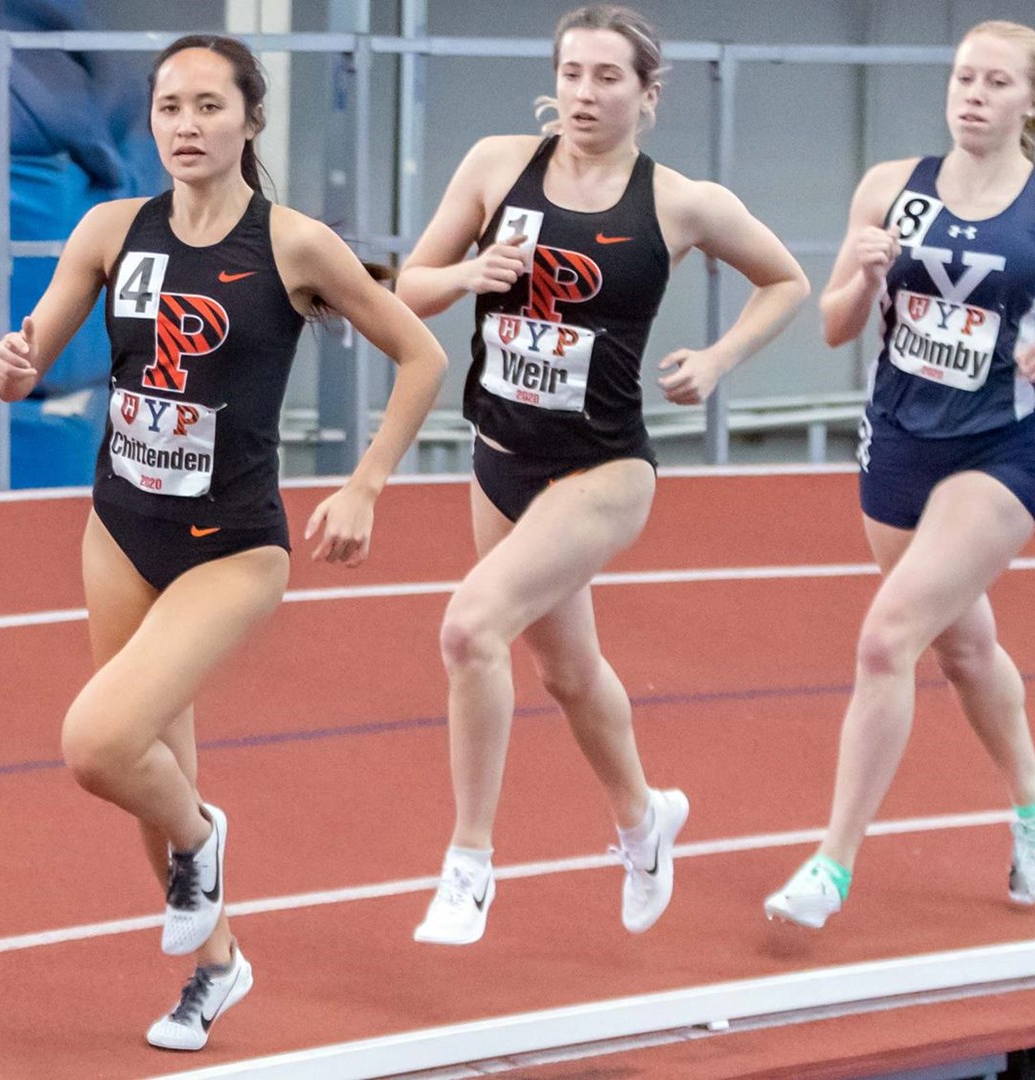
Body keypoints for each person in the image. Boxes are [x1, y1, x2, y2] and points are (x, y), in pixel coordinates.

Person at [0, 34, 446, 1051]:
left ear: (250, 120)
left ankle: (204, 836)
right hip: (121, 529)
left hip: (231, 545)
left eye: (208, 106)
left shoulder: (295, 245)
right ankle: (216, 967)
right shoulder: (111, 230)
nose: (186, 126)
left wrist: (367, 484)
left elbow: (420, 355)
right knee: (149, 758)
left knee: (100, 744)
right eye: (169, 107)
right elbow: (29, 357)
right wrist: (14, 365)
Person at [397, 3, 808, 946]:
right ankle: (643, 819)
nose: (584, 93)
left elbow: (785, 279)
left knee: (470, 627)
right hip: (500, 458)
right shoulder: (496, 166)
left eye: (607, 77)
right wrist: (466, 277)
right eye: (571, 73)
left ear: (648, 94)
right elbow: (408, 287)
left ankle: (468, 865)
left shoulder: (681, 202)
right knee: (570, 673)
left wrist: (717, 360)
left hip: (604, 468)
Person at [764, 21, 1035, 929]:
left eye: (995, 82)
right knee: (963, 649)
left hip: (1000, 455)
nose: (973, 96)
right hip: (897, 446)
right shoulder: (890, 188)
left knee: (888, 640)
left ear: (1033, 100)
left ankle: (832, 864)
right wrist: (862, 279)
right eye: (963, 78)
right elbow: (834, 326)